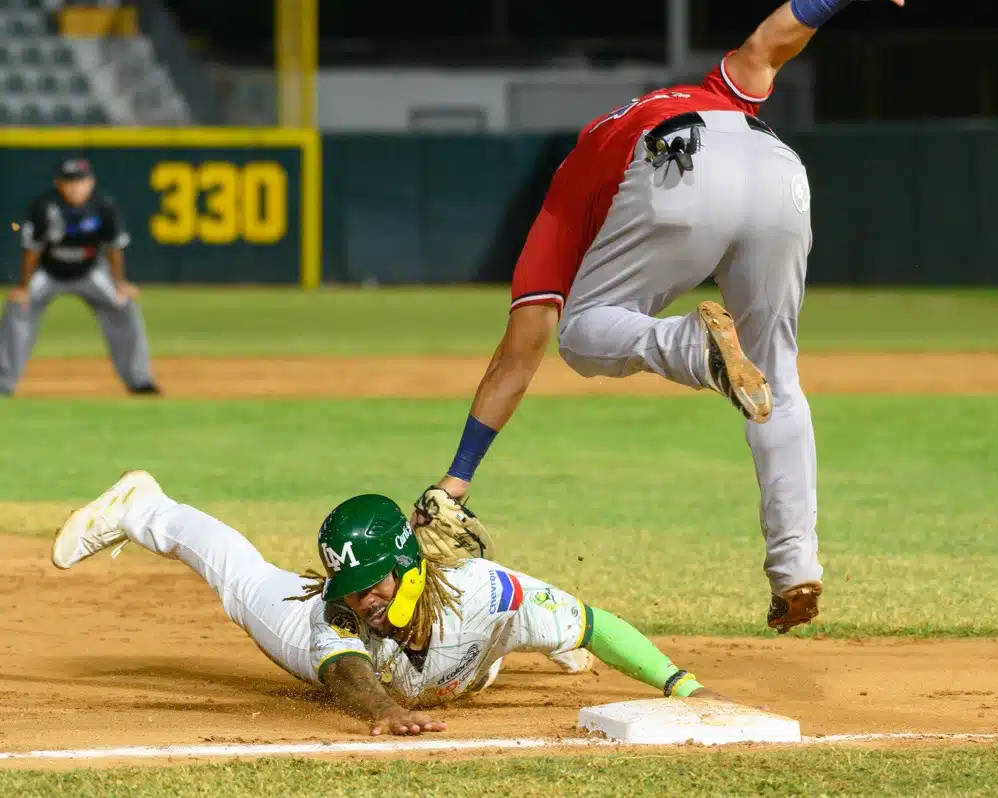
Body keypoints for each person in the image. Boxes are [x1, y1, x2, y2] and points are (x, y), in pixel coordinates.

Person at [425, 0, 904, 633]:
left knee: (582, 335)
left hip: (676, 166)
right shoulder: (709, 87)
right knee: (775, 376)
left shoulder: (576, 177)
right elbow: (772, 41)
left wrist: (456, 478)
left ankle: (689, 342)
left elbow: (520, 353)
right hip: (777, 165)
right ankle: (796, 568)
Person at [51, 471, 734, 735]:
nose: (365, 603)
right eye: (352, 590)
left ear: (408, 569)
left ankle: (549, 645)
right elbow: (346, 671)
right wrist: (383, 712)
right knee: (240, 577)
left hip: (467, 654)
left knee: (545, 628)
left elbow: (597, 618)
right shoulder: (334, 613)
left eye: (373, 585)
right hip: (369, 663)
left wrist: (681, 685)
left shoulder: (481, 592)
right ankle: (148, 507)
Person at [0, 157, 159, 398]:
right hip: (49, 272)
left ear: (91, 182)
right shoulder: (44, 206)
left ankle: (140, 381)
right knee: (18, 307)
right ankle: (4, 383)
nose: (75, 187)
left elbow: (114, 248)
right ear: (58, 184)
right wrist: (24, 287)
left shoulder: (104, 205)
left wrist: (119, 284)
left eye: (81, 181)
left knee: (124, 305)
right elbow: (32, 250)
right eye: (69, 181)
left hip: (90, 271)